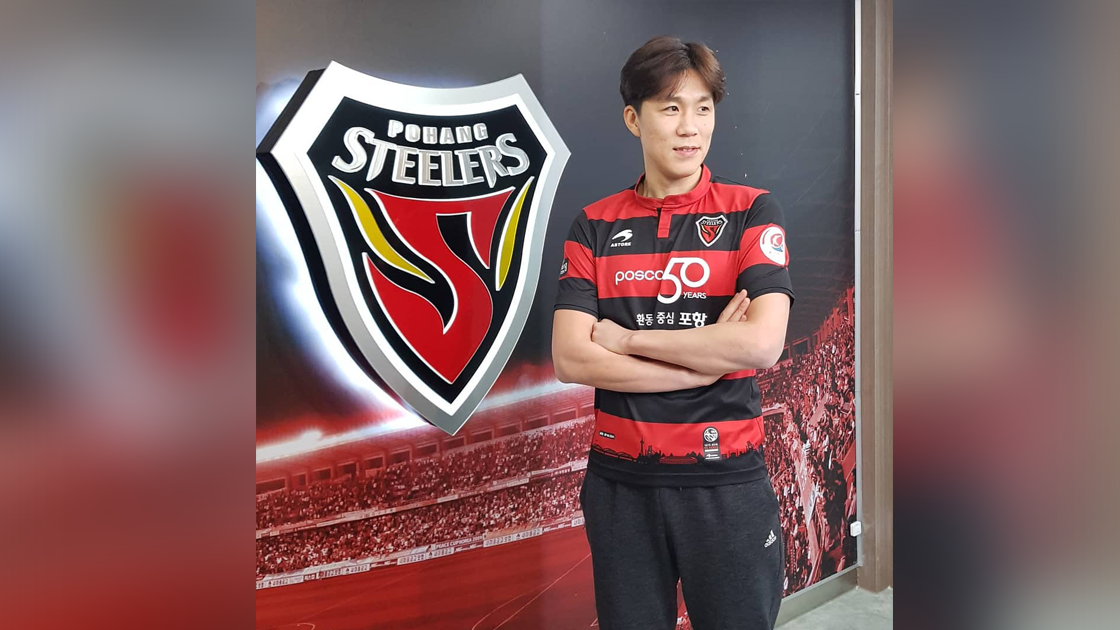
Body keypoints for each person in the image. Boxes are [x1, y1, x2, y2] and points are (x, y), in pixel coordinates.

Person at [552, 36, 794, 630]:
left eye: (703, 108)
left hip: (726, 483)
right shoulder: (593, 225)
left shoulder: (752, 210)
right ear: (634, 119)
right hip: (620, 486)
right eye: (670, 108)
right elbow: (571, 358)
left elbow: (760, 344)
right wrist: (705, 359)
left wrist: (627, 340)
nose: (690, 127)